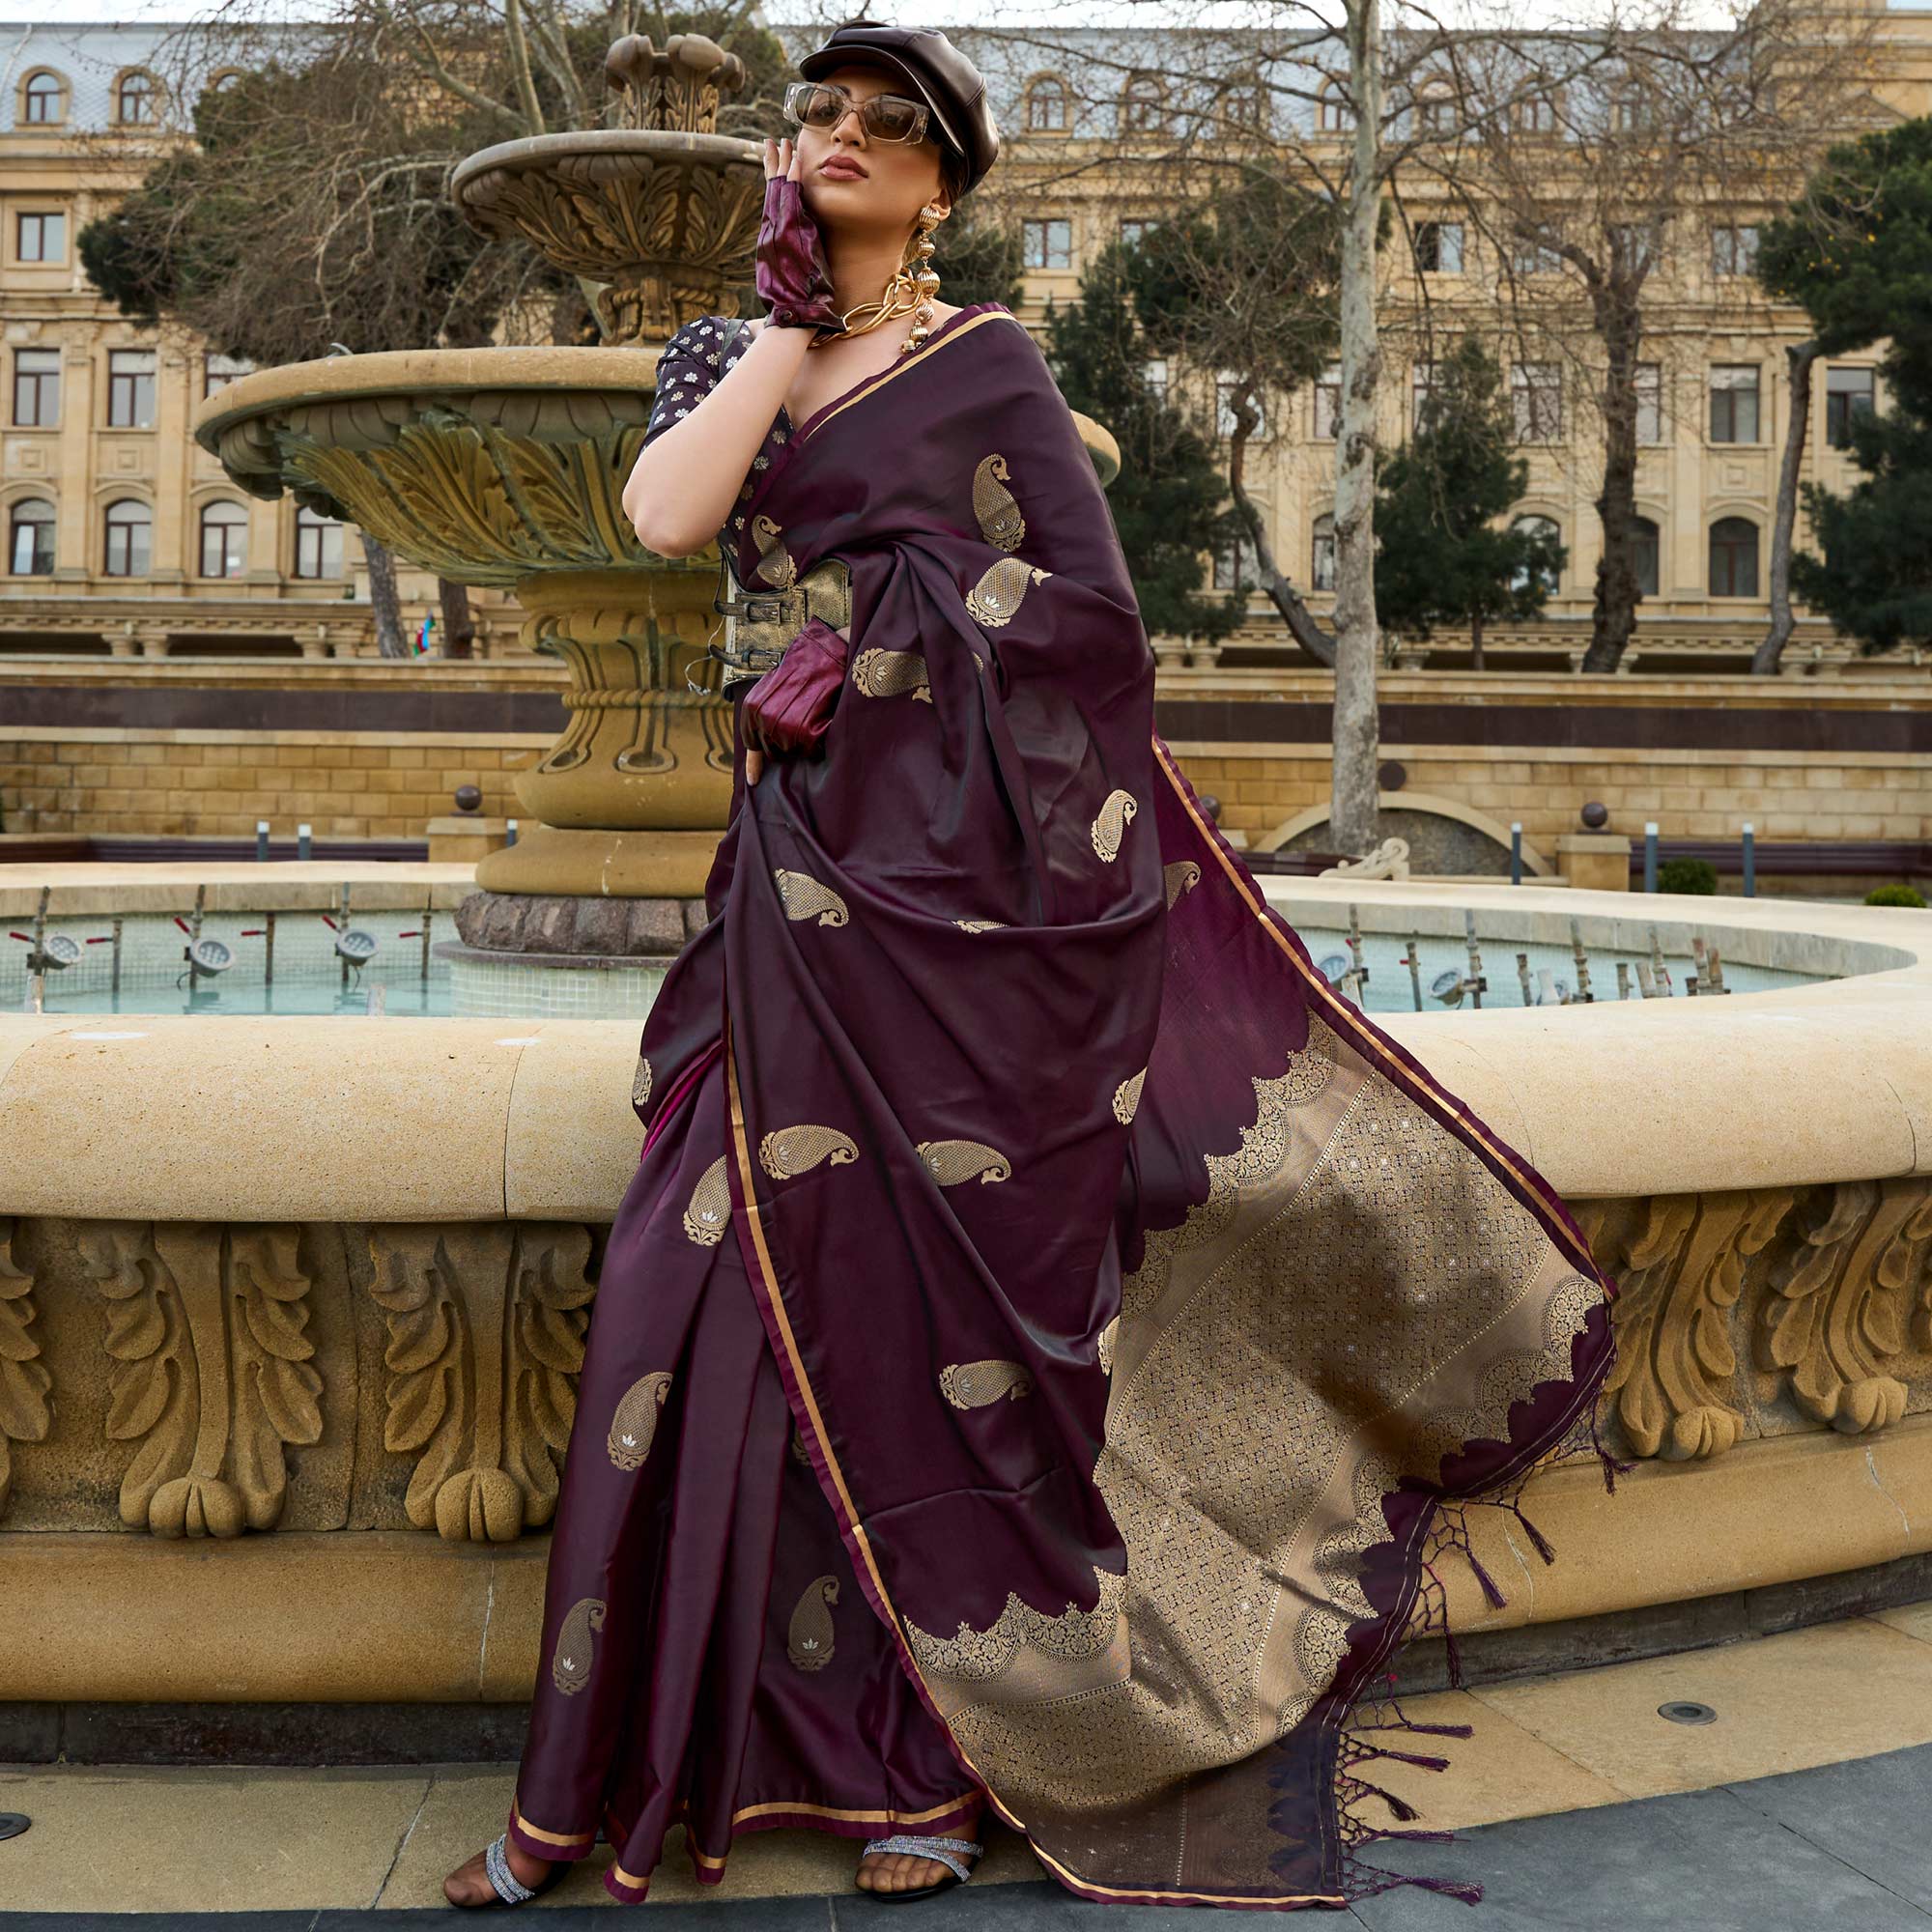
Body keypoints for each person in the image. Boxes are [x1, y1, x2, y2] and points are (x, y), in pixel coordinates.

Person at [445, 20, 1624, 1915]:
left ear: (938, 182)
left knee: (947, 1347)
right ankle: (653, 1757)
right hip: (801, 894)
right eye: (811, 116)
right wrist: (777, 324)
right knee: (706, 1298)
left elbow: (1088, 639)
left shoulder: (987, 363)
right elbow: (665, 525)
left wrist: (898, 630)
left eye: (877, 126)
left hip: (965, 913)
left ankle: (926, 1762)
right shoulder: (725, 354)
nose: (833, 138)